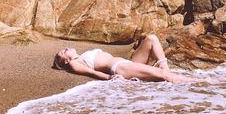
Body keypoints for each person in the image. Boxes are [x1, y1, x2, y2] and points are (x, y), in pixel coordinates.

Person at [53, 34, 190, 82]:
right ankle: (198, 82)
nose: (66, 49)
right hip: (121, 68)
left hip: (128, 62)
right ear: (66, 61)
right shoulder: (74, 64)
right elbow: (91, 73)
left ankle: (163, 66)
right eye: (63, 52)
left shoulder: (82, 56)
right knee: (164, 76)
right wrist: (110, 78)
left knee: (151, 39)